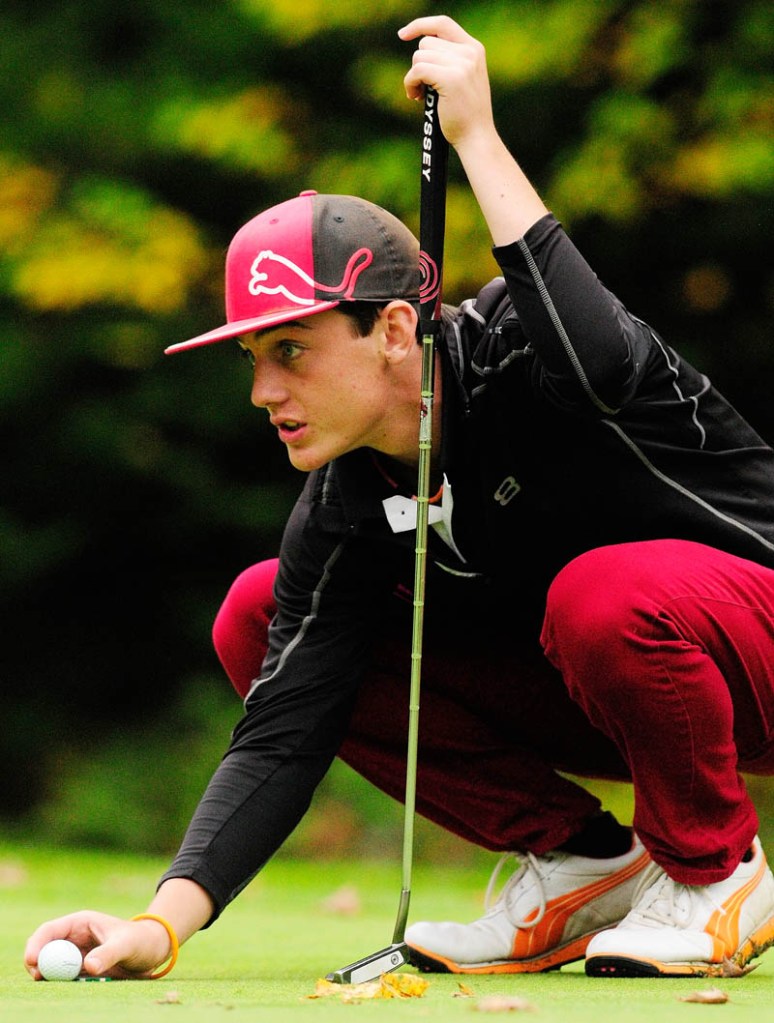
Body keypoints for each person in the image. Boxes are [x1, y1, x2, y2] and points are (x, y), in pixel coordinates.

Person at [25, 15, 774, 982]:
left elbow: (598, 367)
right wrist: (161, 923)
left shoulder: (528, 349)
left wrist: (478, 138)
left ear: (390, 328)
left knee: (602, 592)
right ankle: (583, 864)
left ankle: (716, 871)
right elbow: (284, 727)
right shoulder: (348, 496)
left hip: (747, 641)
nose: (263, 392)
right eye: (255, 360)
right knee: (259, 616)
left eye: (289, 351)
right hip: (625, 686)